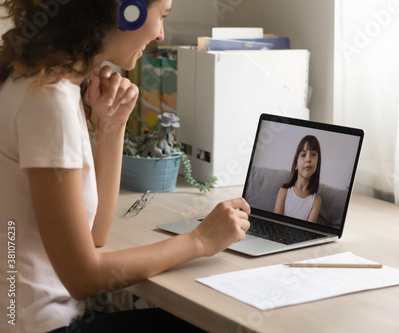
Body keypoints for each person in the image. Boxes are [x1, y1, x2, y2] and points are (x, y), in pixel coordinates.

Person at [0, 1, 251, 332]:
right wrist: (200, 241)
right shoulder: (50, 99)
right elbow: (82, 277)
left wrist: (112, 126)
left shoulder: (30, 78)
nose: (161, 33)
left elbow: (95, 236)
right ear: (127, 10)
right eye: (161, 14)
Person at [274, 135, 322, 222]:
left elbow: (308, 232)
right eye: (303, 155)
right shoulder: (284, 191)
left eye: (313, 154)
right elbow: (276, 224)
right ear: (296, 164)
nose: (308, 159)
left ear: (317, 164)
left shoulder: (316, 201)